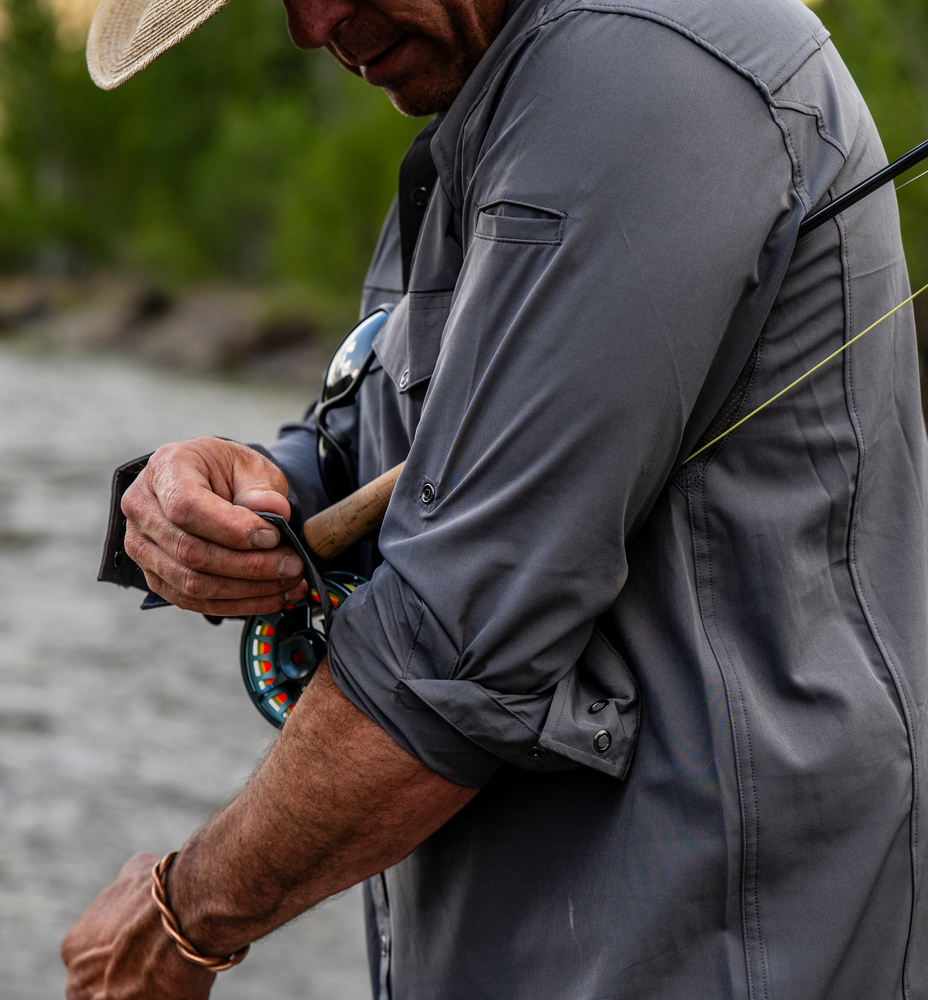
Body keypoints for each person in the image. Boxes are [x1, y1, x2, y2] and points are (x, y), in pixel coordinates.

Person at [63, 0, 928, 995]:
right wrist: (224, 488)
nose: (313, 26)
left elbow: (447, 665)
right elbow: (393, 434)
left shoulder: (634, 81)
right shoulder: (484, 114)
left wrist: (185, 916)